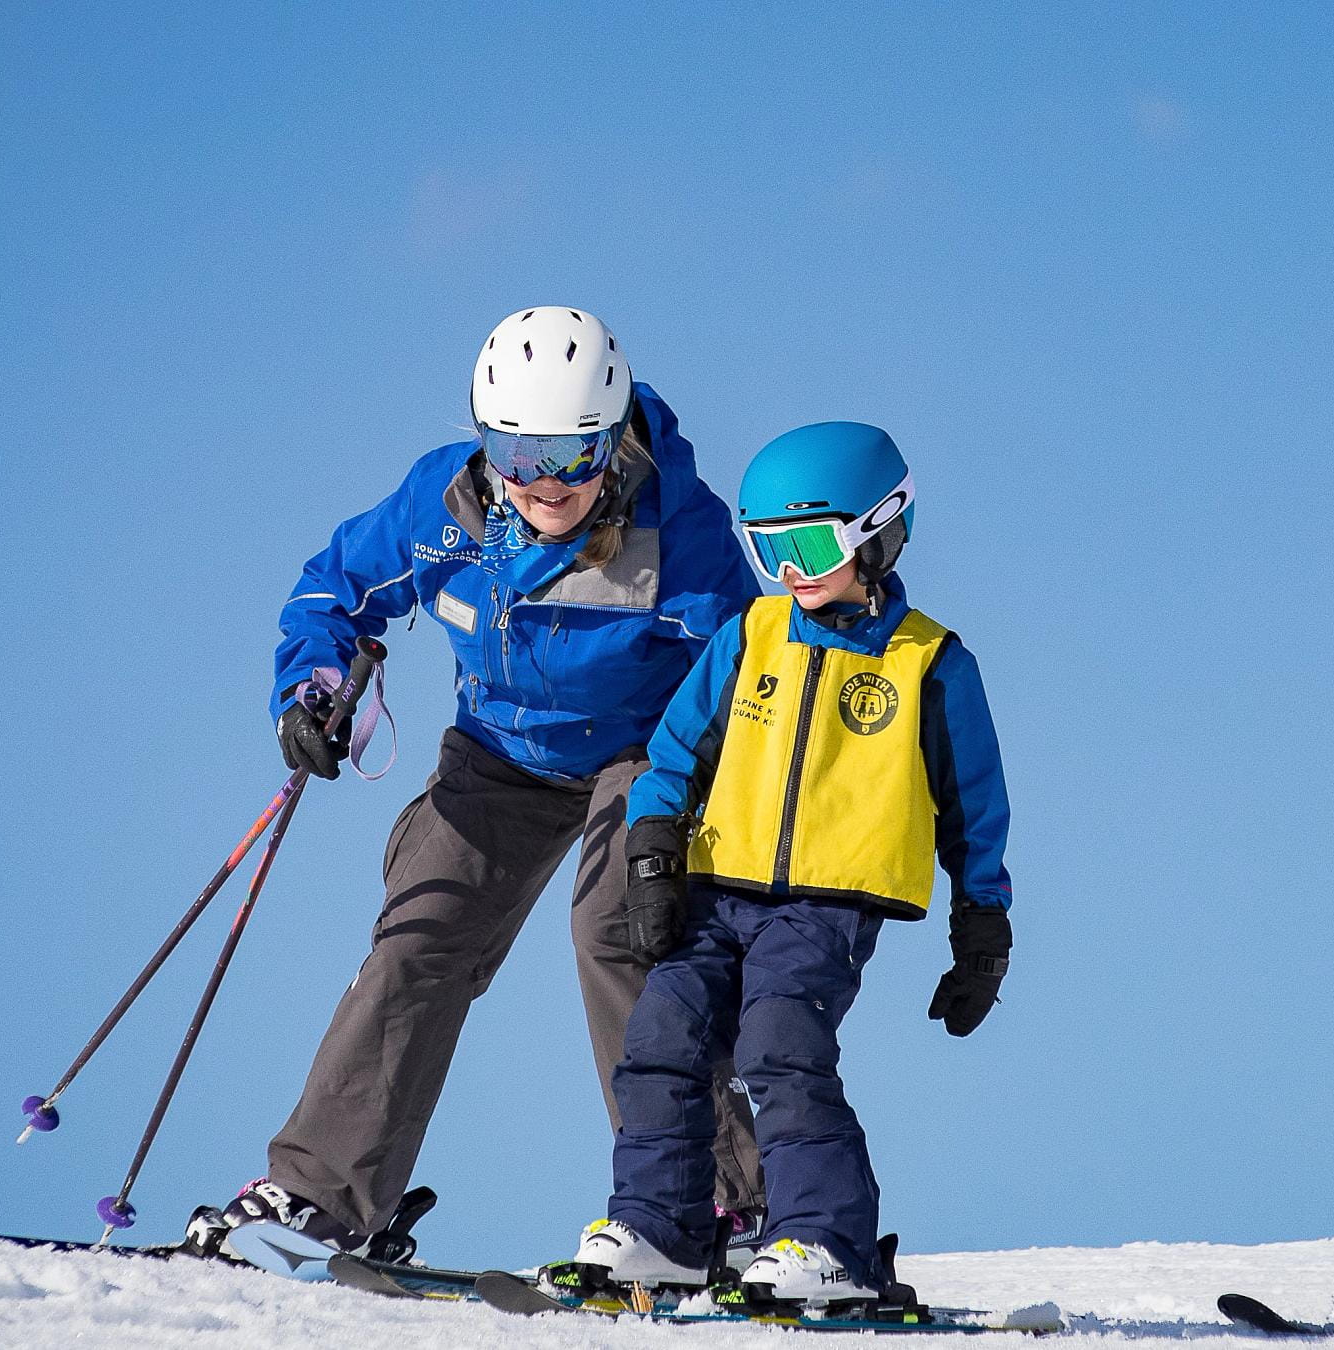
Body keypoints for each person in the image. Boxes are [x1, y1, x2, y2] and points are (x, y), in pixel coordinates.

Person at [193, 307, 766, 1271]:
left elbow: (746, 676)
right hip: (500, 752)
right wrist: (315, 686)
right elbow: (335, 587)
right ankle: (324, 1197)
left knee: (621, 929)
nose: (546, 482)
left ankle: (719, 1203)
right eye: (518, 452)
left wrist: (702, 808)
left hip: (648, 753)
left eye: (574, 454)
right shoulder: (445, 506)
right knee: (422, 933)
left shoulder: (684, 532)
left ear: (614, 441)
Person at [548, 421, 1016, 1305]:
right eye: (770, 552)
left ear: (879, 531)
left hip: (826, 907)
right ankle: (662, 1228)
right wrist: (652, 853)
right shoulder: (752, 635)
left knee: (780, 1048)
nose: (792, 571)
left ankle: (827, 1242)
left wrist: (982, 930)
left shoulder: (930, 664)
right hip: (718, 889)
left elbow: (974, 810)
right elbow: (673, 755)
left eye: (810, 547)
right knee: (658, 1039)